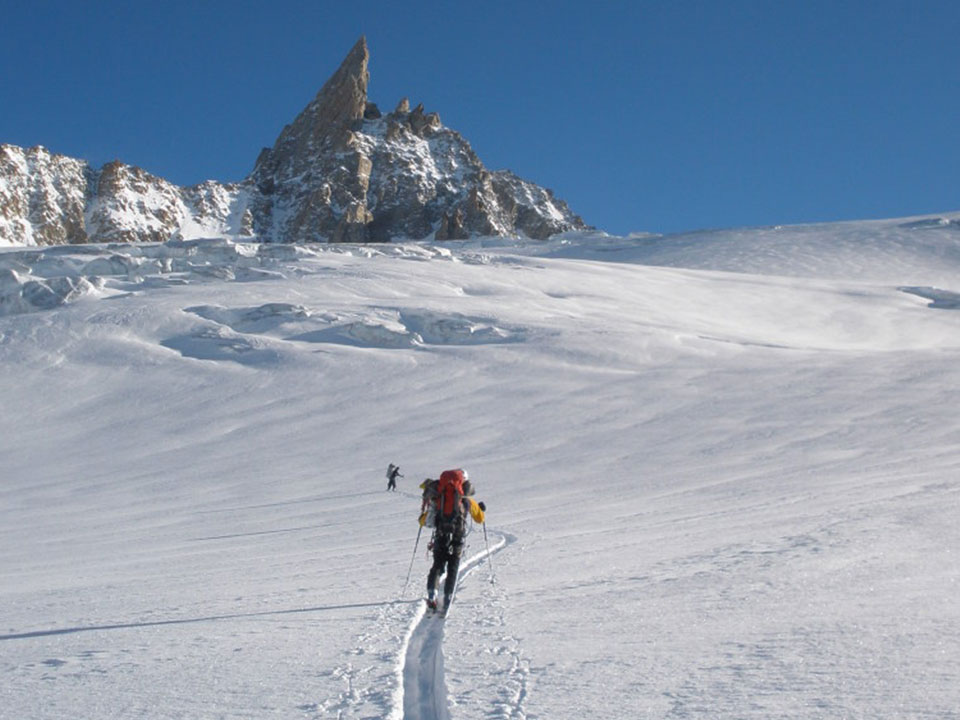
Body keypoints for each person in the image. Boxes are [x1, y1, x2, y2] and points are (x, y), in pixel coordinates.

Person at [419, 468, 485, 614]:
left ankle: (432, 592)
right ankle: (448, 596)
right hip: (458, 535)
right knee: (453, 565)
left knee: (438, 564)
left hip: (441, 533)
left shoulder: (439, 498)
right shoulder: (467, 501)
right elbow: (480, 519)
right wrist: (481, 510)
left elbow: (424, 521)